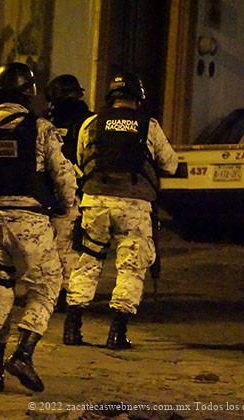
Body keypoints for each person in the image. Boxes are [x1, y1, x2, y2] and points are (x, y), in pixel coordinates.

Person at [0, 62, 77, 393]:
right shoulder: (42, 128)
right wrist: (65, 205)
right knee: (47, 284)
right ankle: (23, 354)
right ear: (29, 93)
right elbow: (63, 176)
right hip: (30, 221)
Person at [62, 72, 178, 350]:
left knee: (87, 261)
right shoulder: (148, 125)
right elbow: (170, 164)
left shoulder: (92, 122)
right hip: (134, 204)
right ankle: (117, 333)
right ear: (137, 98)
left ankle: (72, 328)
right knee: (131, 266)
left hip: (95, 201)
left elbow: (80, 158)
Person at [45, 74, 94, 311]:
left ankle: (62, 292)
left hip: (55, 190)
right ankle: (66, 291)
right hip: (73, 189)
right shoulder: (88, 121)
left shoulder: (47, 121)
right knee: (67, 244)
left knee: (59, 243)